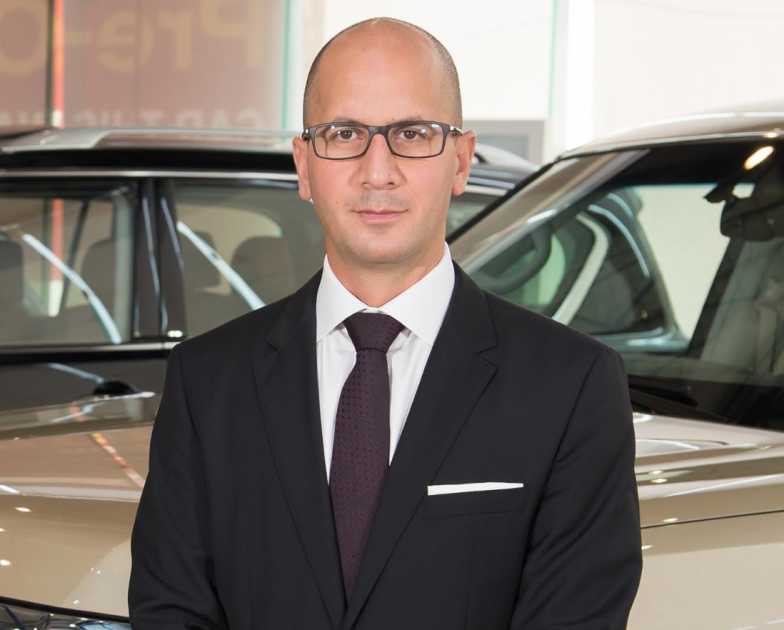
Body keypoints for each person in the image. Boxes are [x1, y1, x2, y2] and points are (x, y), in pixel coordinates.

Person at [129, 17, 642, 630]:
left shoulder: (572, 384)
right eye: (344, 133)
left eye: (412, 133)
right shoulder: (207, 381)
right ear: (303, 165)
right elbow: (172, 610)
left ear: (461, 160)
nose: (378, 171)